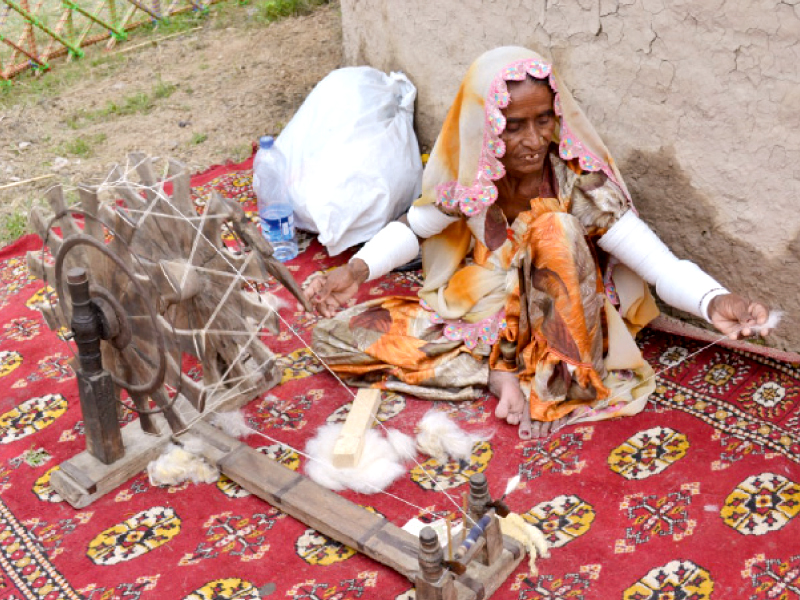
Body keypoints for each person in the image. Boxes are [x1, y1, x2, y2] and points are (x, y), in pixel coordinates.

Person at [304, 46, 771, 440]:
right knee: (341, 335)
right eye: (513, 126)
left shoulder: (578, 182)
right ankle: (498, 375)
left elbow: (658, 265)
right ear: (485, 126)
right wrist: (355, 271)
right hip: (488, 316)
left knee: (556, 228)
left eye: (544, 120)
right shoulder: (471, 180)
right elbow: (413, 228)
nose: (534, 141)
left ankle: (554, 385)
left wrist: (712, 302)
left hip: (565, 325)